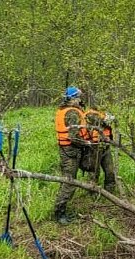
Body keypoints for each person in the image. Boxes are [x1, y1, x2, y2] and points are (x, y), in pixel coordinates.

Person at [51, 88, 116, 225]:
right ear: (73, 98)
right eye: (78, 97)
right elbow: (73, 136)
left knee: (70, 179)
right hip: (71, 151)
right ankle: (59, 213)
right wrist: (87, 143)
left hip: (70, 150)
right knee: (69, 182)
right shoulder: (72, 112)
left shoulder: (66, 110)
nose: (81, 99)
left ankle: (61, 209)